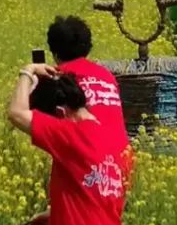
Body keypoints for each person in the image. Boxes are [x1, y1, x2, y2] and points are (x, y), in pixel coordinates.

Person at [8, 65, 130, 225]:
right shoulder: (117, 141)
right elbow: (103, 201)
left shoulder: (71, 135)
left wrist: (28, 71)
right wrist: (55, 215)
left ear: (60, 113)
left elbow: (17, 114)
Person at [47, 16, 128, 146]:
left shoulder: (58, 77)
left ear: (55, 54)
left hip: (87, 157)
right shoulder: (107, 76)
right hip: (122, 157)